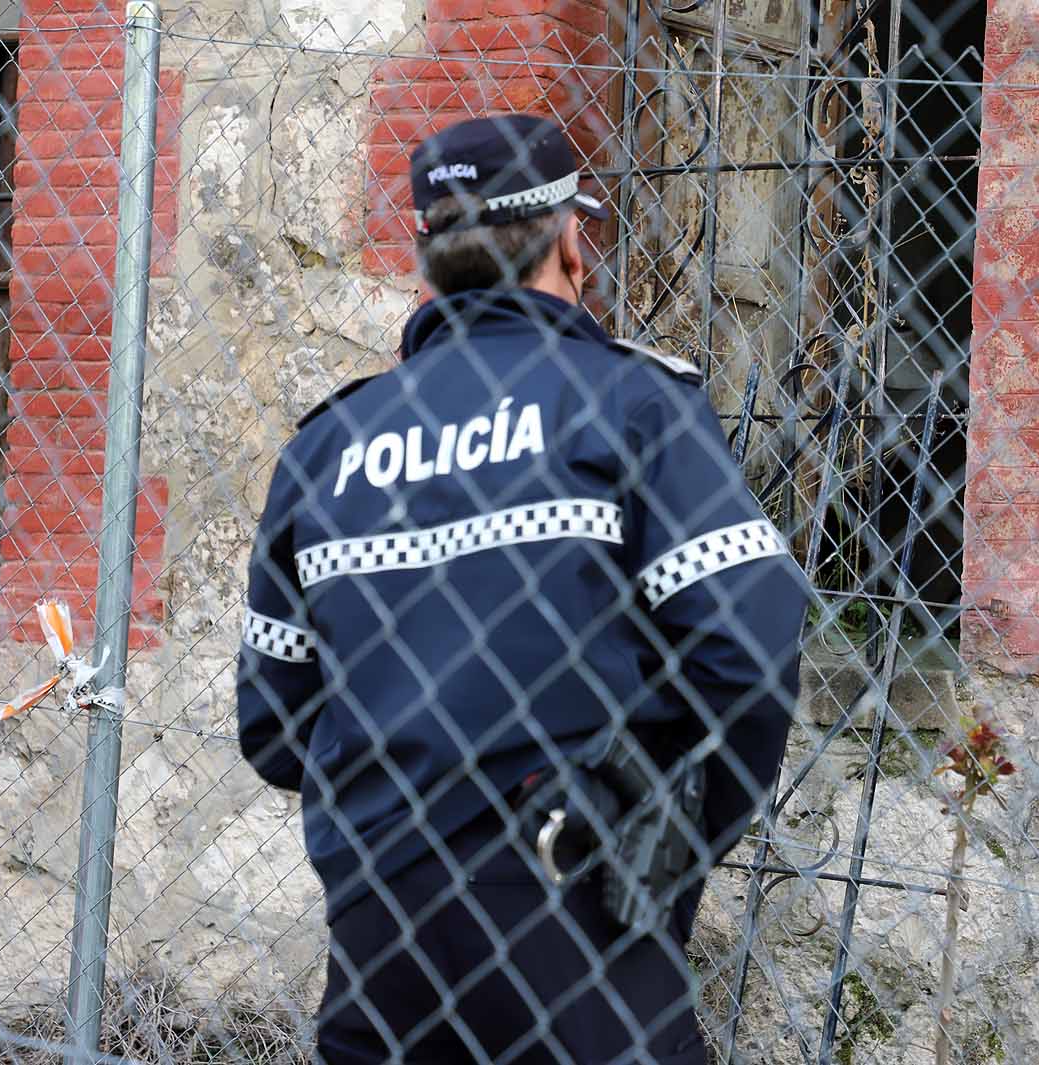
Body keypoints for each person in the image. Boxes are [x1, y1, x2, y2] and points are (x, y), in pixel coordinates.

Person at [236, 113, 806, 1064]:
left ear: (427, 258)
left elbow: (274, 720)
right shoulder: (633, 405)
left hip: (385, 936)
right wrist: (660, 845)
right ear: (569, 241)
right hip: (582, 910)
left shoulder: (326, 449)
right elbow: (747, 651)